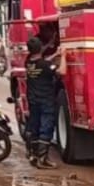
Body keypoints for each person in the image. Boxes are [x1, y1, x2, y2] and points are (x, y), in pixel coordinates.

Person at [24, 37, 61, 169]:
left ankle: (34, 156)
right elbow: (62, 71)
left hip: (33, 101)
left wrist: (54, 53)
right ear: (40, 49)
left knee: (35, 127)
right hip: (45, 100)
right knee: (46, 128)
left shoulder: (28, 62)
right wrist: (65, 56)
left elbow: (43, 61)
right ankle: (43, 159)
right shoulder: (45, 66)